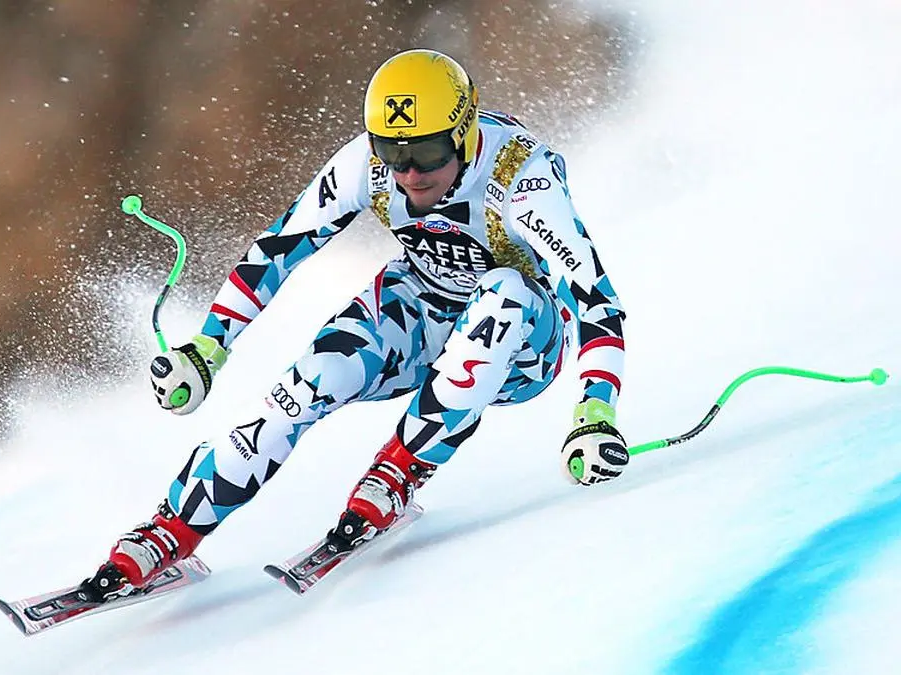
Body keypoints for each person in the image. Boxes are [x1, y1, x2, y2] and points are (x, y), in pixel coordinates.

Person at [87, 48, 628, 597]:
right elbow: (278, 250)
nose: (410, 173)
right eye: (393, 153)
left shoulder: (522, 180)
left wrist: (596, 412)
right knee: (310, 383)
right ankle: (170, 531)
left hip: (522, 348)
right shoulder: (362, 165)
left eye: (428, 152)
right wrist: (209, 347)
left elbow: (597, 302)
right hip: (421, 307)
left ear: (464, 134)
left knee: (505, 291)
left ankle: (397, 473)